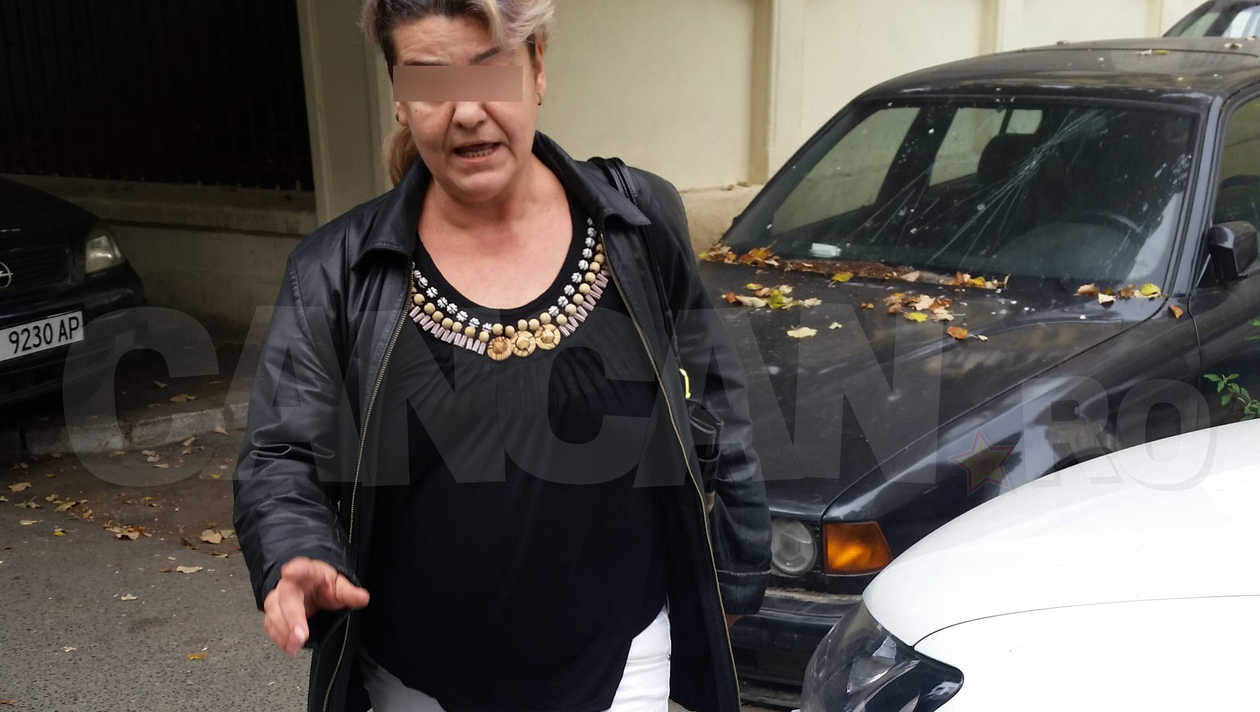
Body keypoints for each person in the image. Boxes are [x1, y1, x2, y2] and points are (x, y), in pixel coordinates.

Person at [232, 2, 771, 711]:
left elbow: (718, 395)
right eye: (431, 80)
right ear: (399, 96)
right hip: (415, 681)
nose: (467, 112)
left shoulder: (637, 221)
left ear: (537, 67)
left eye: (489, 71)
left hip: (622, 660)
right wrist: (296, 548)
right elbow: (280, 454)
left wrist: (735, 569)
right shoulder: (335, 271)